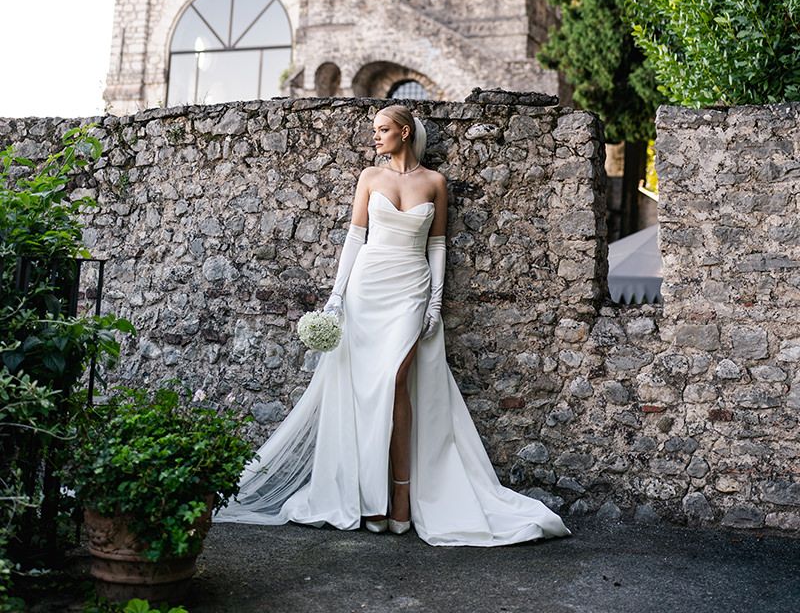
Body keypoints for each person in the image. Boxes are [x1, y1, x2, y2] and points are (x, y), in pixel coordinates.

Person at [217, 104, 569, 547]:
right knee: (367, 392)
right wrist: (337, 296)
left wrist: (435, 303)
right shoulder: (369, 177)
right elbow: (354, 239)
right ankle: (372, 502)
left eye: (383, 130)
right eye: (374, 131)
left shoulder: (436, 183)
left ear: (405, 133)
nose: (376, 137)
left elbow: (437, 245)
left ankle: (401, 499)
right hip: (368, 288)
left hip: (410, 290)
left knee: (396, 380)